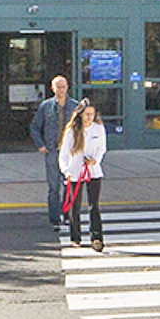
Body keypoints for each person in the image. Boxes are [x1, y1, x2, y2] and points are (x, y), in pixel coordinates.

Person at [30, 74, 80, 228]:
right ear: (52, 88)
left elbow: (81, 128)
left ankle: (67, 215)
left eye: (63, 87)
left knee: (68, 185)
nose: (61, 90)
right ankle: (54, 218)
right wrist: (41, 145)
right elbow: (35, 126)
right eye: (58, 87)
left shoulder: (75, 106)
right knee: (53, 187)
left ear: (67, 87)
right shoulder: (46, 106)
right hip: (51, 151)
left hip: (69, 153)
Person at [57, 100, 107, 251]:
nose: (89, 117)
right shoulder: (72, 130)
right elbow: (64, 154)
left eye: (92, 114)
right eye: (86, 114)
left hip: (93, 171)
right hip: (75, 172)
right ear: (80, 115)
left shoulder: (98, 129)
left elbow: (102, 148)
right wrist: (66, 171)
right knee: (75, 206)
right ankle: (75, 237)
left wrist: (95, 160)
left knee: (94, 205)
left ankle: (97, 238)